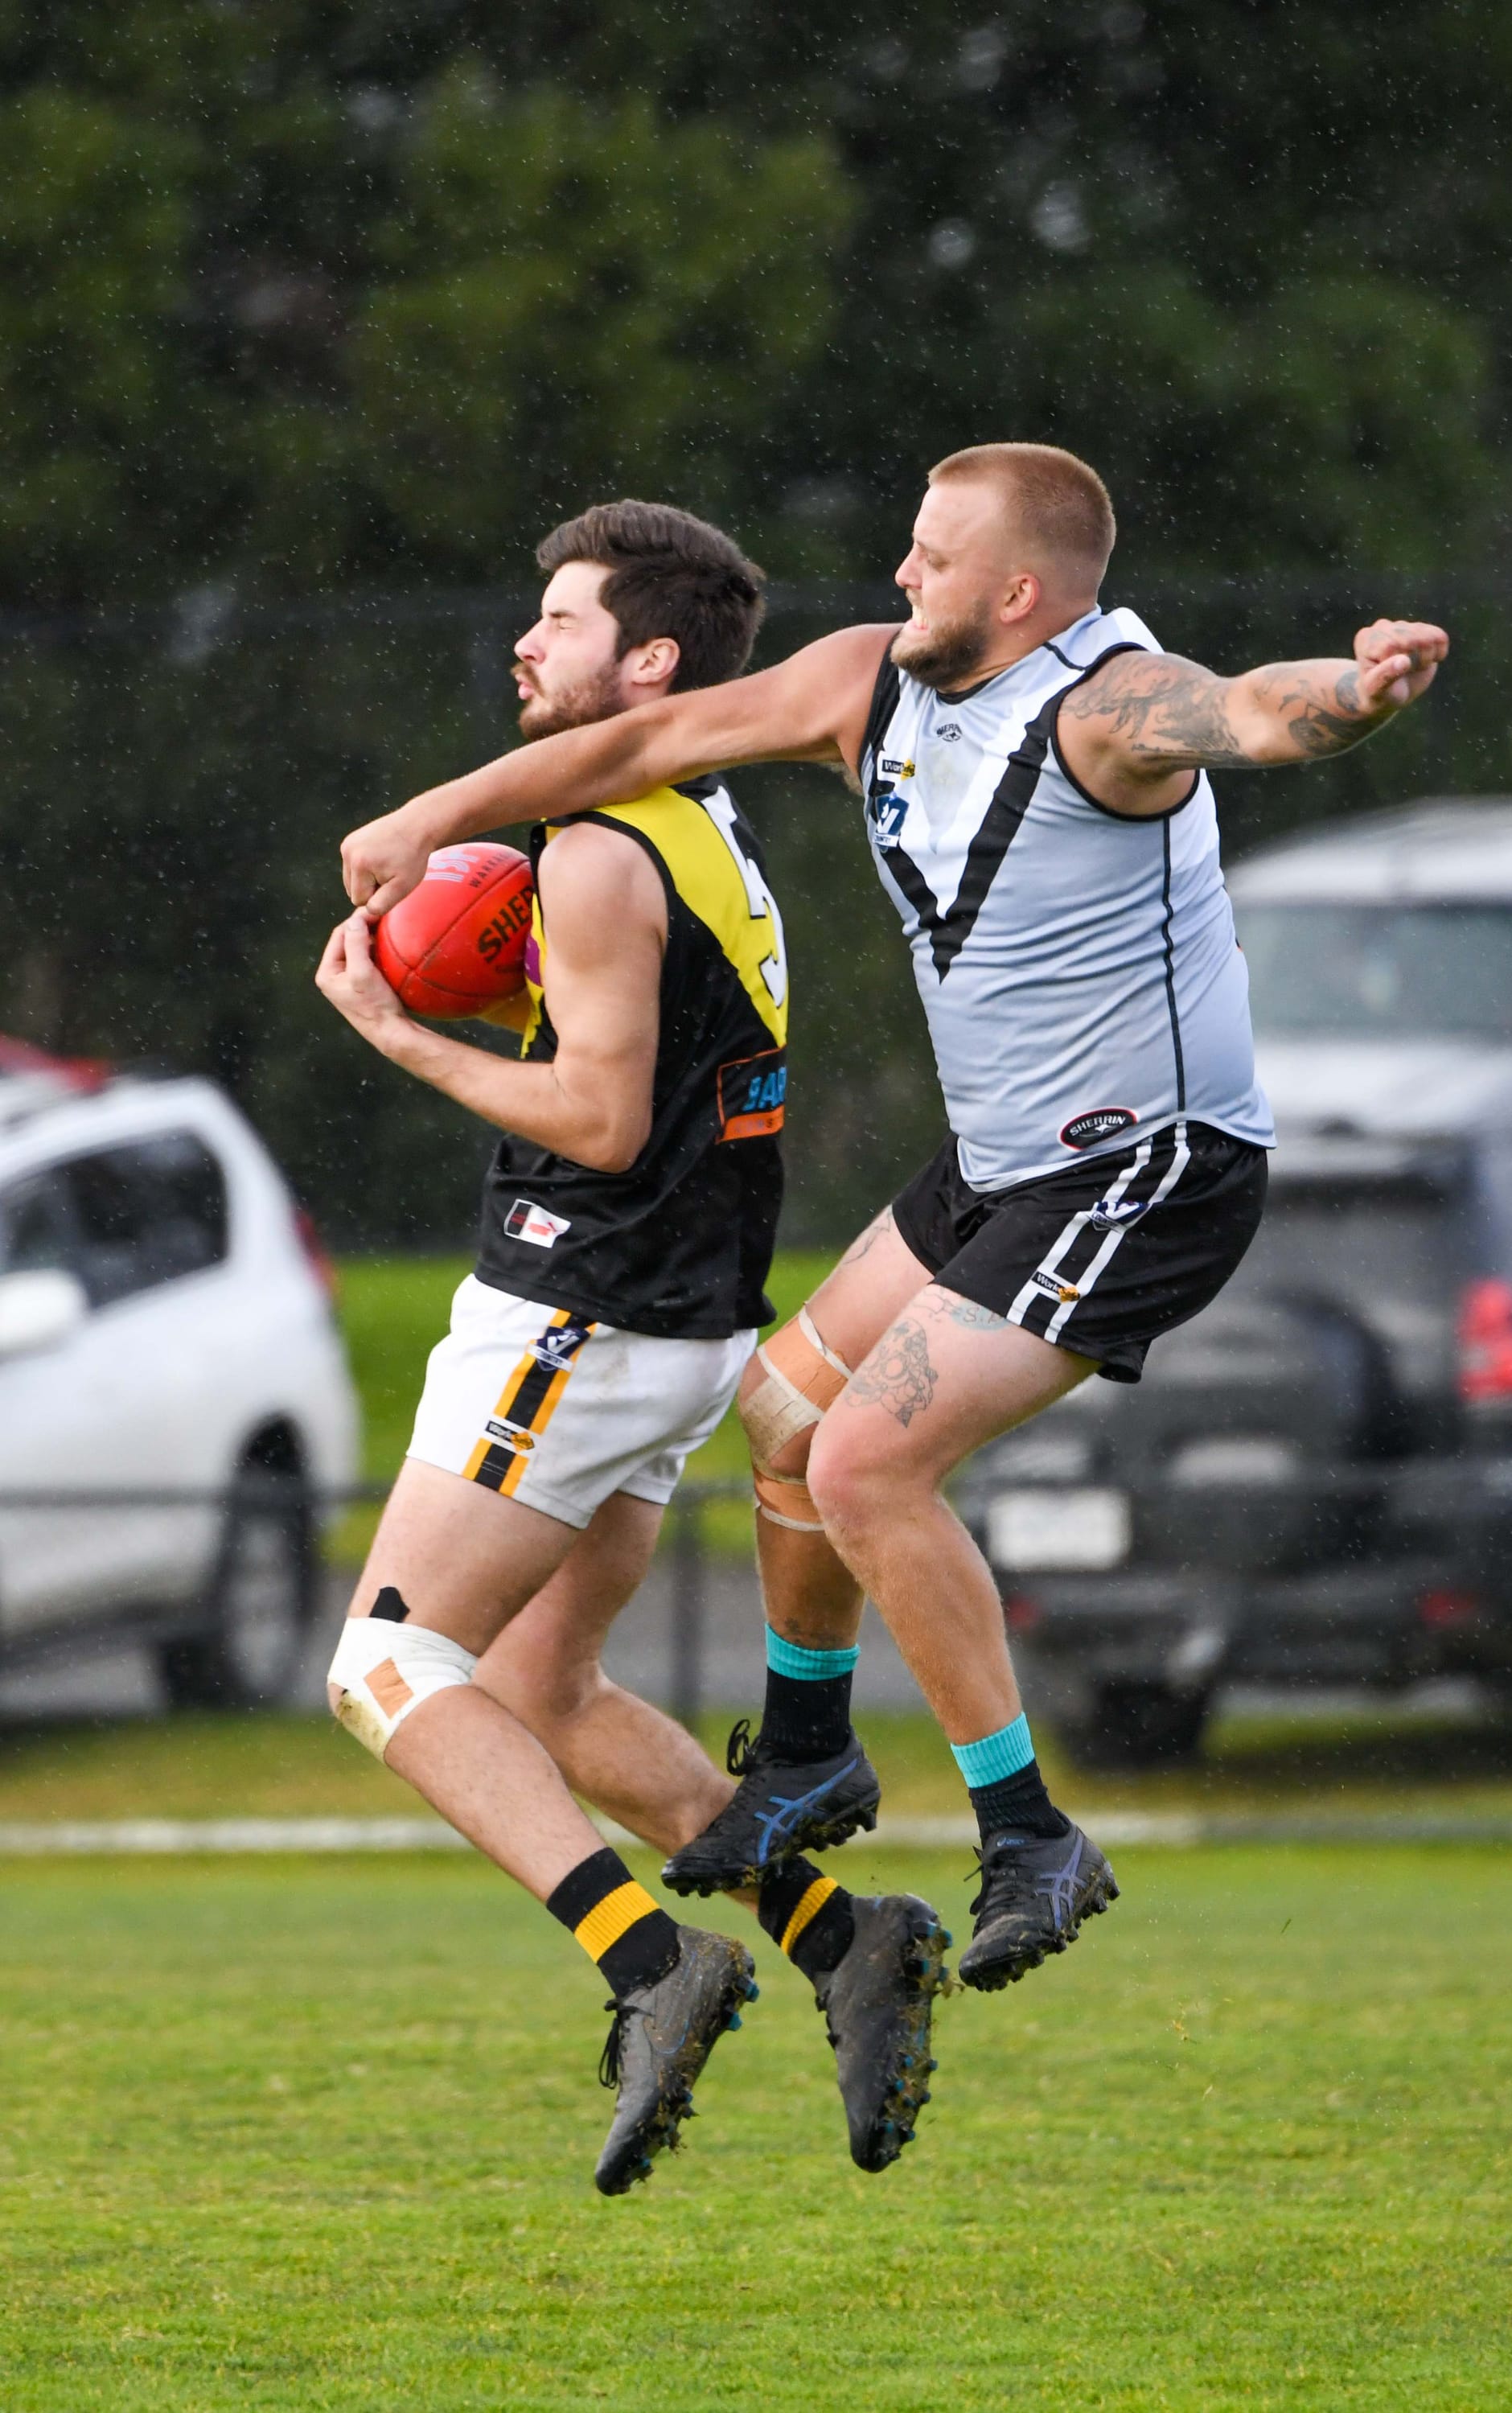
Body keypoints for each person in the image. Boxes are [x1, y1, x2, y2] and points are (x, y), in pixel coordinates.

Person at [338, 442, 1450, 1996]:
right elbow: (643, 739)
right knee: (783, 1409)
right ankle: (809, 1750)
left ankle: (1028, 1829)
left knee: (864, 1462)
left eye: (934, 557)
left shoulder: (1102, 708)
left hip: (1151, 1169)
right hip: (999, 1164)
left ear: (1020, 591)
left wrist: (1355, 690)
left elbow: (1248, 710)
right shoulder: (869, 681)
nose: (901, 573)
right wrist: (432, 813)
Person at [314, 500, 946, 2198]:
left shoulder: (596, 852)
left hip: (578, 1313)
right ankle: (846, 1943)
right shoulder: (695, 818)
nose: (526, 643)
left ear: (651, 661)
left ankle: (651, 1962)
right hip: (674, 1318)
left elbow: (599, 1122)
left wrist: (392, 1030)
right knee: (543, 1688)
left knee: (386, 1669)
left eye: (565, 620)